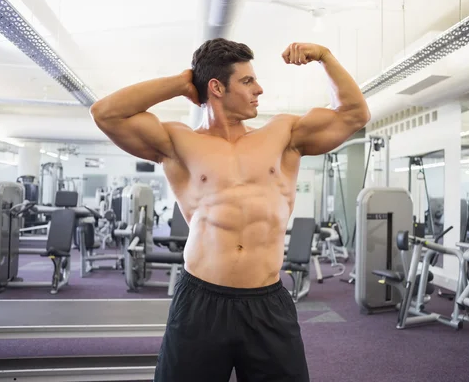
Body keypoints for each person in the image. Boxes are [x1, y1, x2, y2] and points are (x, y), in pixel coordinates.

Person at [90, 38, 371, 382]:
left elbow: (355, 114)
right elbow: (105, 113)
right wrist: (181, 83)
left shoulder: (283, 134)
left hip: (267, 303)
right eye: (248, 81)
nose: (259, 89)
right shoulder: (179, 142)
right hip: (200, 303)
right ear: (216, 88)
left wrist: (325, 57)